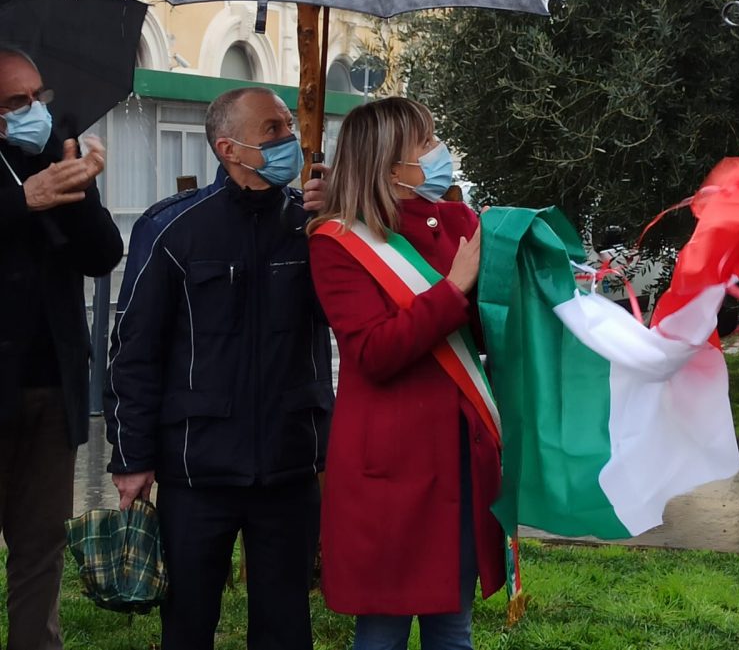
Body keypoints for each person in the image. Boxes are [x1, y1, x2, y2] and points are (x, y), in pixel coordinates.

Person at [104, 86, 333, 650]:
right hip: (196, 468)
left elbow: (355, 313)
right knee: (187, 625)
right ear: (229, 149)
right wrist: (131, 457)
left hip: (288, 464)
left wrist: (344, 223)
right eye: (272, 130)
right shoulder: (172, 228)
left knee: (286, 629)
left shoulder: (314, 226)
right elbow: (134, 351)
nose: (289, 139)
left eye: (288, 125)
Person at [307, 97, 506, 650]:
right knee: (382, 631)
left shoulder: (461, 222)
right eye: (427, 142)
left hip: (458, 454)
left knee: (453, 628)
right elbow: (375, 351)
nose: (440, 151)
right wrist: (454, 288)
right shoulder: (338, 242)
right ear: (391, 162)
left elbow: (484, 333)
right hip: (390, 463)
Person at [0, 46, 123, 650]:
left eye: (38, 96)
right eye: (15, 101)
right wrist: (22, 200)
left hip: (53, 387)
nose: (34, 110)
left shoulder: (54, 152)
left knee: (40, 545)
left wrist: (79, 190)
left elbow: (103, 254)